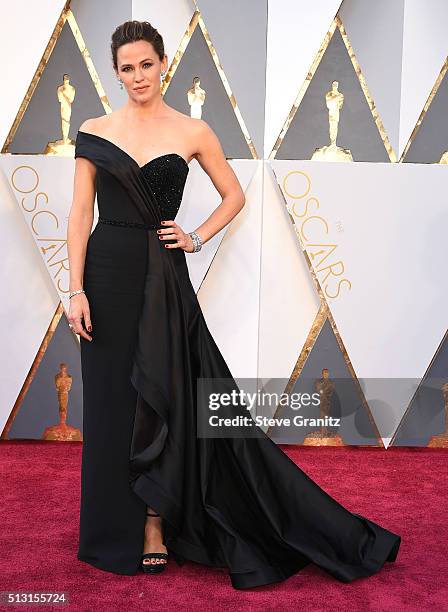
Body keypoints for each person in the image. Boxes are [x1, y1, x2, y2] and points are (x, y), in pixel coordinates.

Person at [67, 20, 401, 589]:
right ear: (115, 72)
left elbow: (235, 195)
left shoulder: (193, 130)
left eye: (146, 64)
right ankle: (108, 529)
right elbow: (79, 215)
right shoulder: (94, 129)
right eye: (127, 67)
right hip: (103, 275)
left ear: (163, 64)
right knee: (108, 404)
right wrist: (74, 289)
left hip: (161, 280)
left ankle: (154, 522)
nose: (138, 76)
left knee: (167, 398)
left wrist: (195, 236)